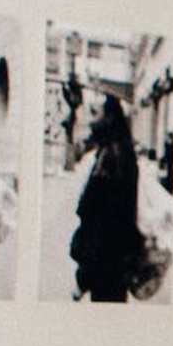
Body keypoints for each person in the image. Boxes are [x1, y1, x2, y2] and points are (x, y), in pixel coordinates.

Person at [68, 94, 146, 301]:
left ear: (109, 118)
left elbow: (102, 225)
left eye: (95, 114)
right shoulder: (118, 151)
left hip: (106, 266)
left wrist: (83, 277)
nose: (91, 120)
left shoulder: (112, 157)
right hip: (114, 264)